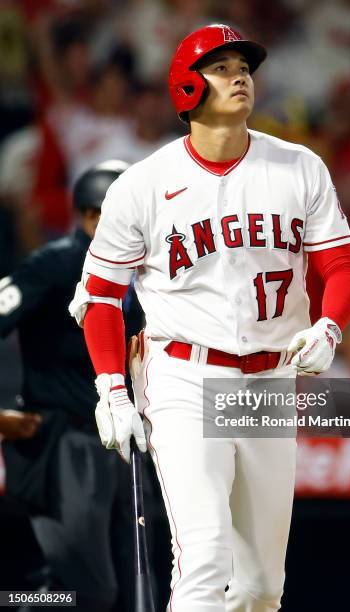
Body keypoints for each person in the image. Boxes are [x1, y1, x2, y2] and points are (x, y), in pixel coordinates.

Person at [70, 24, 350, 612]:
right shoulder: (143, 185)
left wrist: (330, 326)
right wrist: (111, 391)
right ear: (186, 87)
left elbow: (342, 270)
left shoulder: (299, 166)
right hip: (184, 375)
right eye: (222, 67)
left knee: (261, 589)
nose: (240, 77)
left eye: (244, 67)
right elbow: (100, 299)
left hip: (269, 381)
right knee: (203, 556)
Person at [0, 160, 147, 612]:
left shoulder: (146, 276)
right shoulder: (54, 264)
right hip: (66, 446)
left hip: (124, 447)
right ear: (91, 216)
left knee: (134, 589)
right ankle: (15, 604)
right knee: (84, 591)